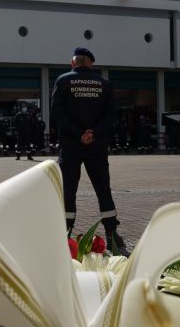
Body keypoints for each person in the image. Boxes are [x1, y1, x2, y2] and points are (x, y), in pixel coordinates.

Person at [51, 46, 129, 256]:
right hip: (97, 146)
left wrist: (78, 133)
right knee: (103, 189)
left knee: (68, 190)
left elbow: (58, 112)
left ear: (73, 62)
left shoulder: (63, 81)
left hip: (70, 145)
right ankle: (112, 233)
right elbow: (112, 114)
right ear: (91, 63)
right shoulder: (104, 84)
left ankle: (65, 235)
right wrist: (93, 133)